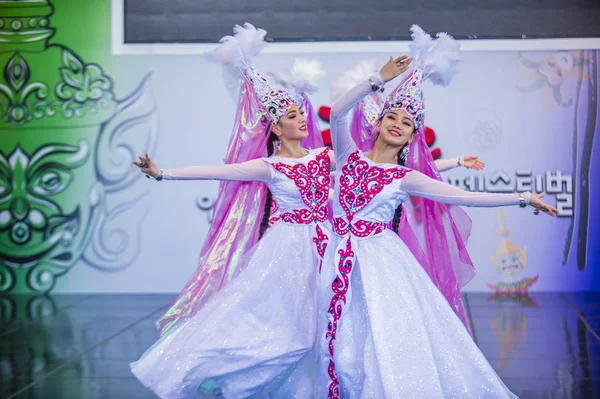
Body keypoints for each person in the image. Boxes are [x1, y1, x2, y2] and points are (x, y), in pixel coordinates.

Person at [318, 26, 557, 398]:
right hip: (334, 259)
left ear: (413, 137)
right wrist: (377, 80)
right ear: (379, 123)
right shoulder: (348, 156)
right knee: (337, 339)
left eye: (407, 123)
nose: (397, 125)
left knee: (379, 338)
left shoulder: (406, 177)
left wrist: (523, 198)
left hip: (379, 265)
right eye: (392, 118)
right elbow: (336, 112)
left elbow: (463, 196)